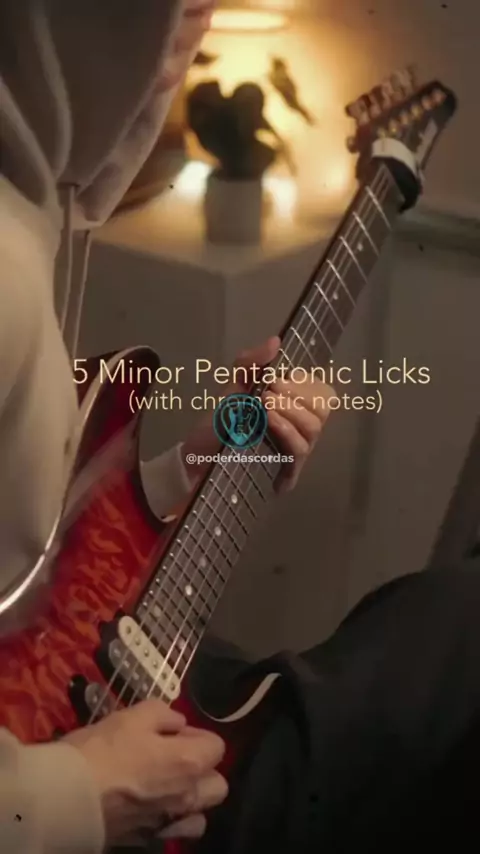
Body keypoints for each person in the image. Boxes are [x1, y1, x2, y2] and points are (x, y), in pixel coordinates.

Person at [2, 3, 480, 854]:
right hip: (67, 791)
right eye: (179, 12)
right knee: (458, 631)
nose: (188, 44)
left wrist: (205, 453)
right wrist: (81, 794)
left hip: (86, 696)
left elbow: (27, 532)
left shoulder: (33, 214)